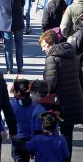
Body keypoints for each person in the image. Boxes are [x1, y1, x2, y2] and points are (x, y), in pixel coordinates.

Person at [39, 30, 83, 159]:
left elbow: (50, 84)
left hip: (61, 103)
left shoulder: (52, 59)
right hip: (75, 99)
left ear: (51, 43)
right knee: (67, 135)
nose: (43, 49)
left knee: (53, 134)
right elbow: (80, 78)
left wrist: (38, 91)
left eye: (44, 46)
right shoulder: (72, 54)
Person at [10, 79, 36, 162]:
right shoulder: (35, 104)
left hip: (18, 137)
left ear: (18, 93)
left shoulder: (12, 104)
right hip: (31, 137)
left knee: (18, 156)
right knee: (26, 157)